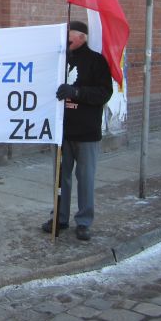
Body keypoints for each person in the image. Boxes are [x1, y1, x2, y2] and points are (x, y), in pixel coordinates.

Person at [42, 21, 112, 241]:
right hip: (62, 131)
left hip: (86, 132)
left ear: (81, 36)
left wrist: (77, 92)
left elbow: (103, 93)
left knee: (85, 178)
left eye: (69, 34)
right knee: (60, 179)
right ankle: (60, 217)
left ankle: (83, 221)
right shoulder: (60, 59)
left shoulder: (96, 61)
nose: (65, 38)